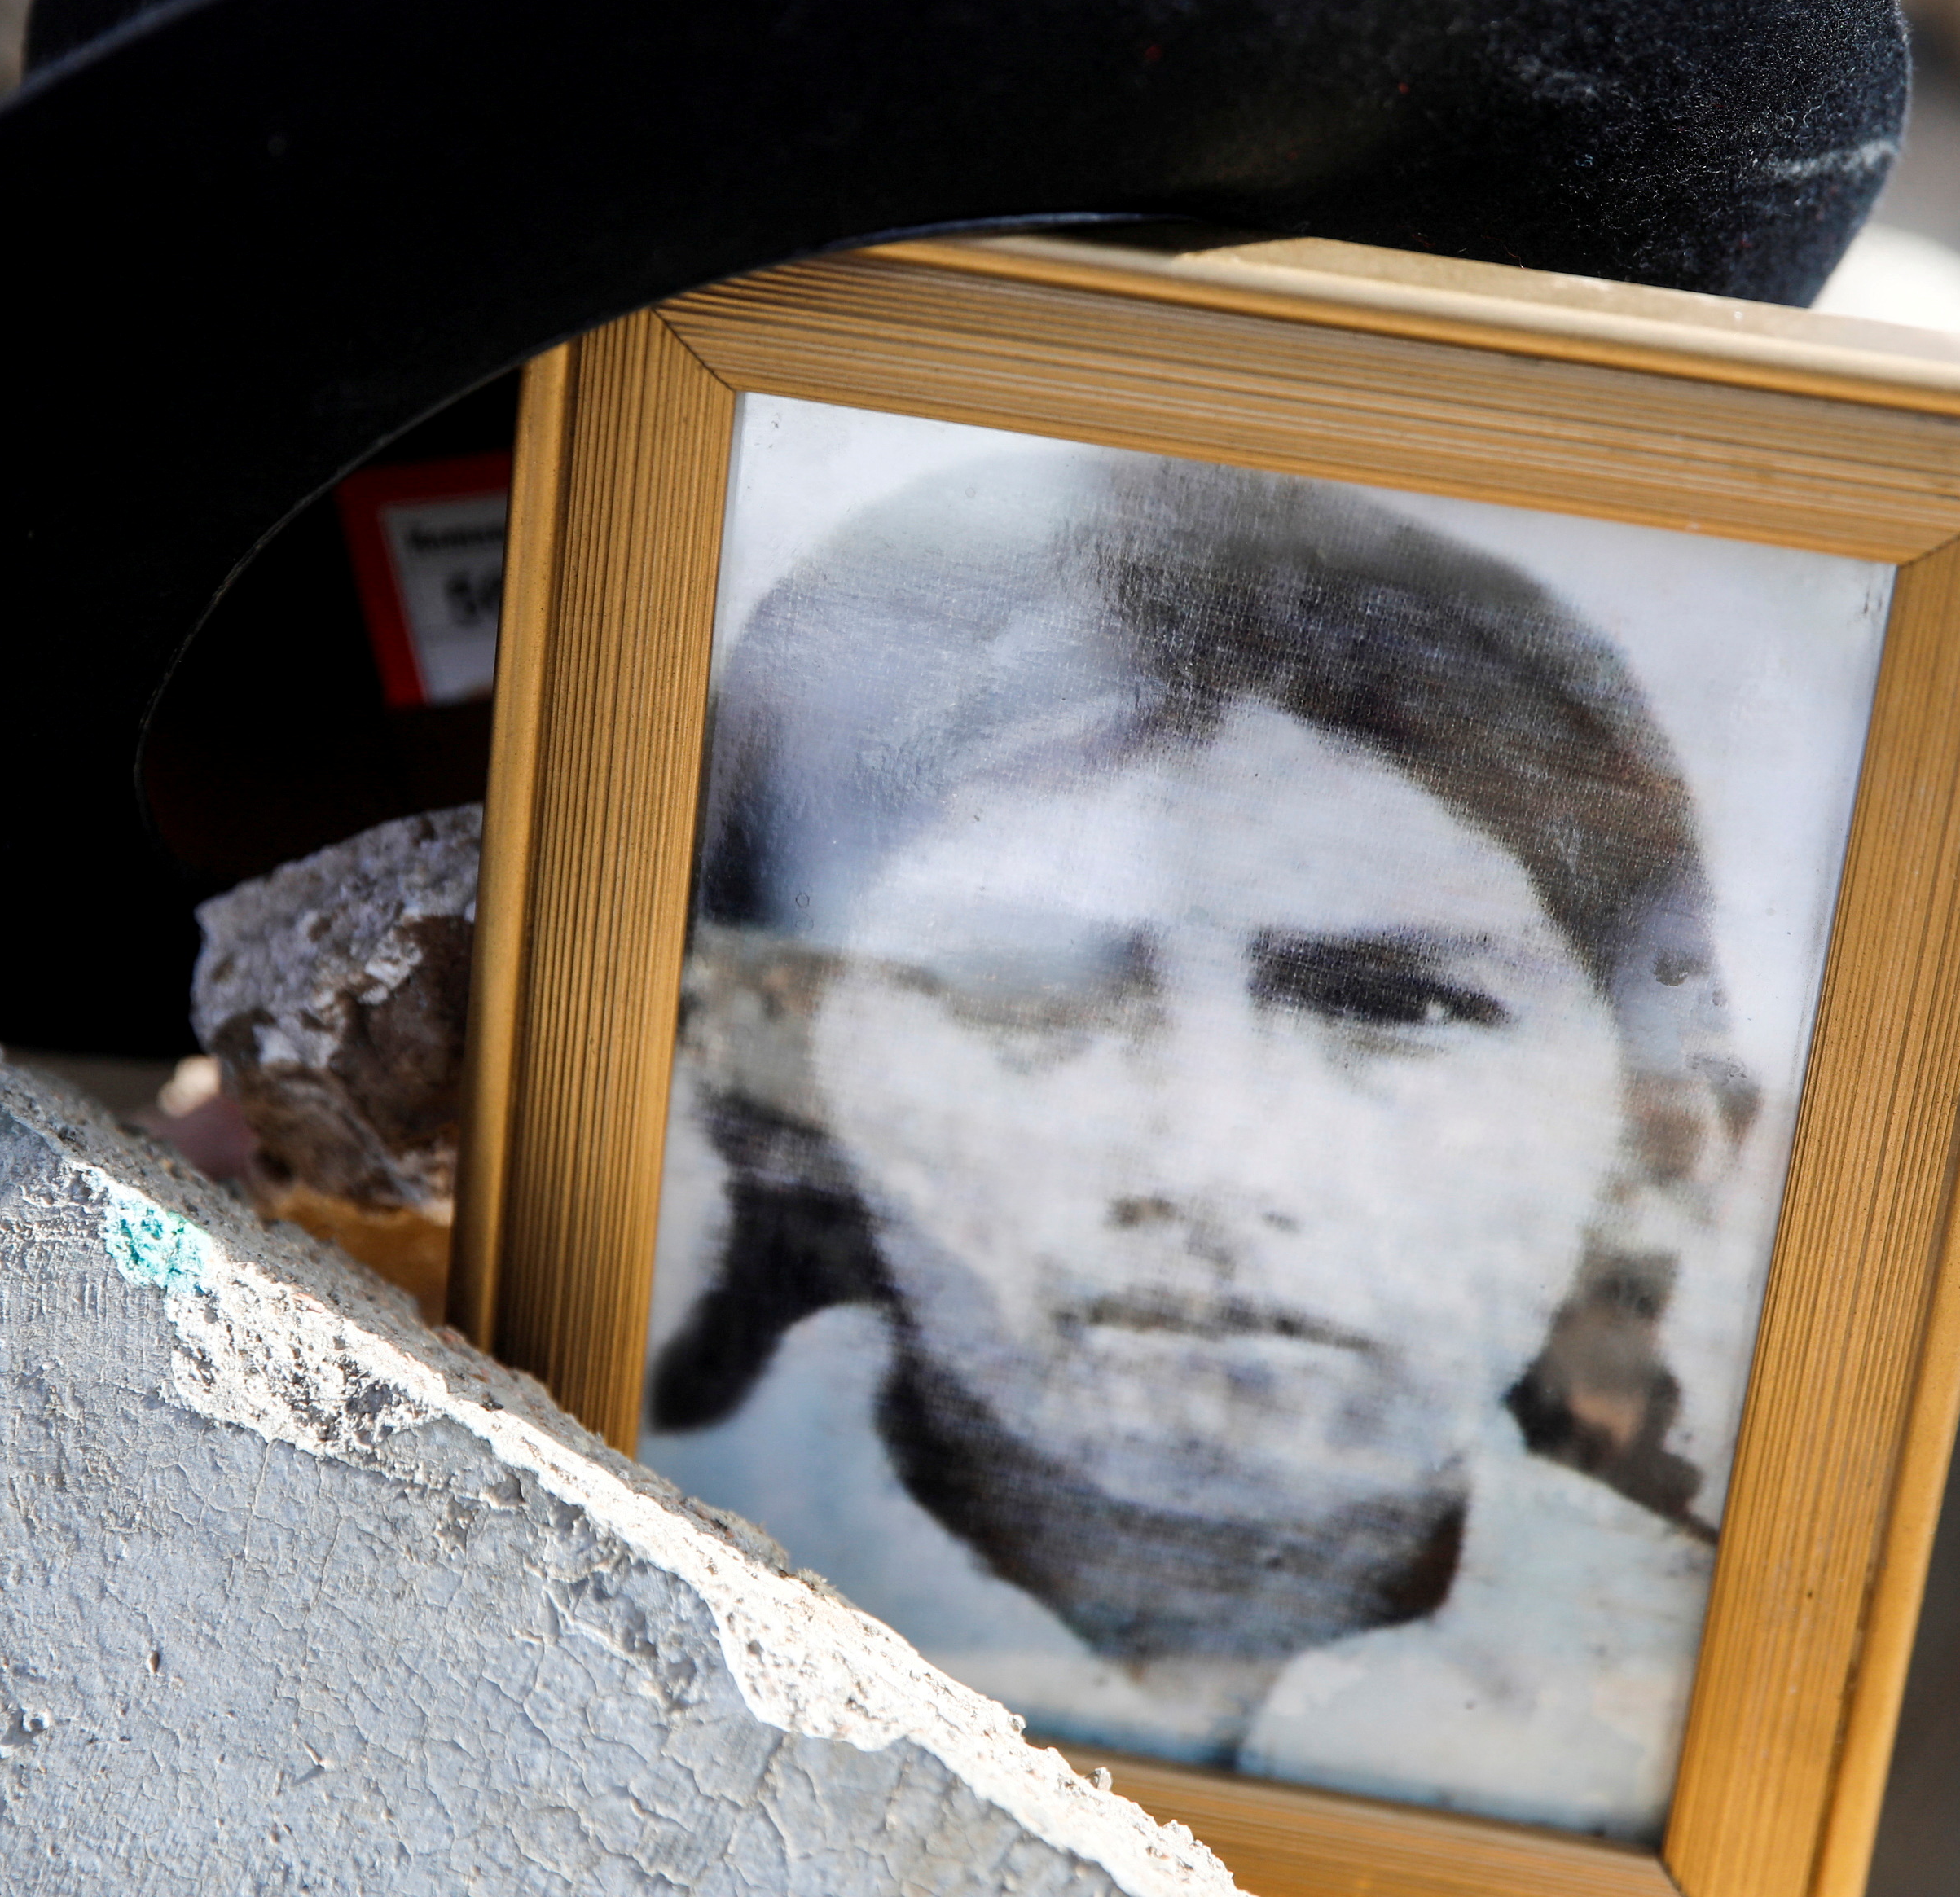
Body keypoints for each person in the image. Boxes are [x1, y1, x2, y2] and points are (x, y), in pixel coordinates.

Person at [641, 443, 1764, 1840]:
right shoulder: (597, 1554)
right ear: (768, 1066)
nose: (1210, 1161)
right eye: (1023, 993)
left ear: (1667, 1139)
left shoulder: (1727, 1720)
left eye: (1398, 1006)